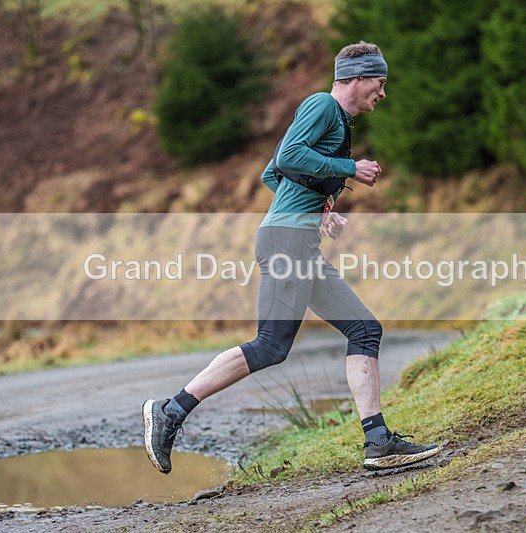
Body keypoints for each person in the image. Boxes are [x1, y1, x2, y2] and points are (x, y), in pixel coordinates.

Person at [143, 41, 439, 473]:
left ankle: (378, 441)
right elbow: (287, 157)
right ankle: (171, 411)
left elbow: (273, 174)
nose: (383, 92)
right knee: (269, 346)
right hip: (285, 241)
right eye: (380, 82)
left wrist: (320, 213)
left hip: (297, 240)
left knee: (363, 329)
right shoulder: (322, 105)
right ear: (357, 78)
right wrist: (349, 170)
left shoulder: (336, 121)